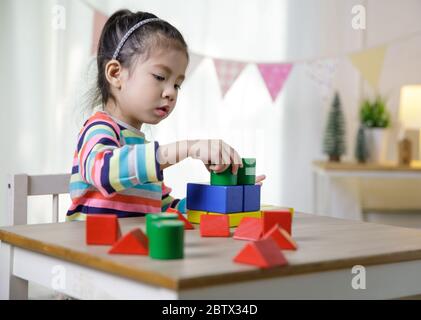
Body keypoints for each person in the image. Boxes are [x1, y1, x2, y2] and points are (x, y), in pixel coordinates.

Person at [67, 9, 265, 221]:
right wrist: (187, 148)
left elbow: (165, 209)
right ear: (116, 74)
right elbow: (103, 172)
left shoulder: (142, 154)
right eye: (160, 76)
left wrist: (226, 195)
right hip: (89, 251)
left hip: (133, 250)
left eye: (177, 85)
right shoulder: (99, 128)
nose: (170, 92)